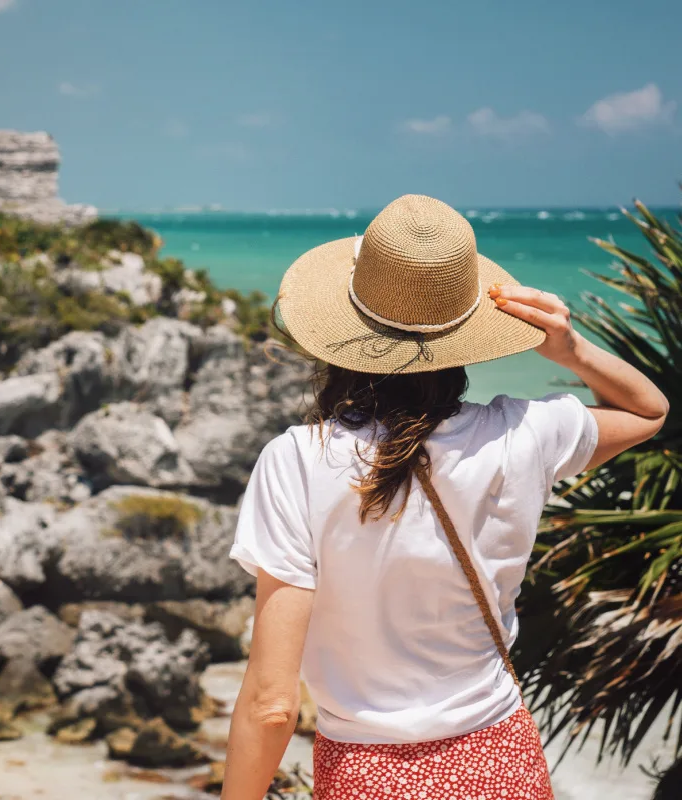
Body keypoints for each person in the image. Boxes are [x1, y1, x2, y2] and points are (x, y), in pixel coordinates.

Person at [220, 195, 668, 800]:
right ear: (465, 334)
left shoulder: (298, 460)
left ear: (344, 337)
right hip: (500, 759)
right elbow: (649, 411)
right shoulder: (524, 434)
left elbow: (273, 705)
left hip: (365, 773)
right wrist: (569, 349)